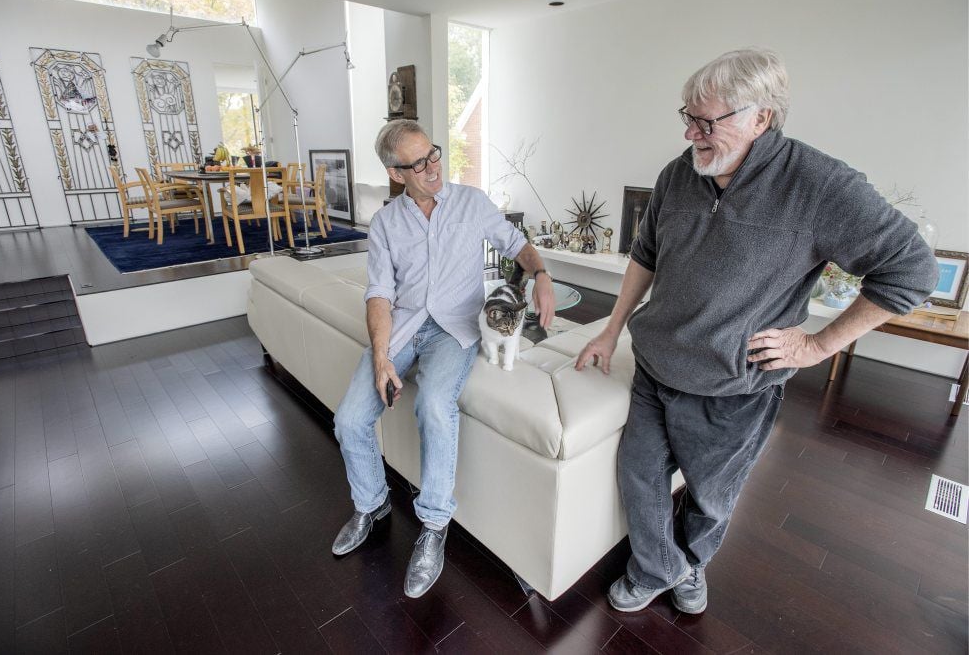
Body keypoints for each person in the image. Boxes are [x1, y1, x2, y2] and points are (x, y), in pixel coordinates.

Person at [575, 48, 938, 615]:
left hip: (735, 386)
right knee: (640, 479)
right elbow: (645, 255)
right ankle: (659, 570)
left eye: (707, 122)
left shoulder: (820, 185)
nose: (691, 133)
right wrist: (610, 330)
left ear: (760, 117)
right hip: (655, 366)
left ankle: (690, 563)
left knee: (711, 498)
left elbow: (912, 271)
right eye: (688, 117)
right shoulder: (678, 174)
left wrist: (818, 345)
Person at [331, 119, 556, 598]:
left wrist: (541, 275)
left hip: (454, 329)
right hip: (402, 327)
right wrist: (381, 358)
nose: (433, 168)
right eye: (418, 164)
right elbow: (379, 293)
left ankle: (434, 525)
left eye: (433, 154)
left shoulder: (472, 202)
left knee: (434, 404)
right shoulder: (386, 224)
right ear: (396, 174)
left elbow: (516, 245)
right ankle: (372, 504)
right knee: (349, 419)